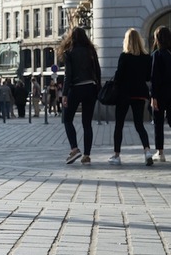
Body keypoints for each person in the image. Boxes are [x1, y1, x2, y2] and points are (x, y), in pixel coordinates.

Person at [109, 28, 153, 166]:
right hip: (139, 94)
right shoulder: (146, 57)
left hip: (124, 94)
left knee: (119, 125)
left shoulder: (124, 56)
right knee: (139, 125)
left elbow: (119, 75)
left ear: (126, 41)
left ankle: (116, 155)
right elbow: (147, 77)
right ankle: (147, 151)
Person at [59, 27, 101, 164]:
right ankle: (87, 155)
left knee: (67, 118)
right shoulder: (91, 51)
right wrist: (98, 88)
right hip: (91, 87)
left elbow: (68, 75)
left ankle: (74, 148)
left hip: (76, 88)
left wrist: (64, 94)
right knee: (87, 123)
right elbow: (98, 70)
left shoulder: (69, 52)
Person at [151, 24, 171, 163]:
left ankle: (160, 152)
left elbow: (155, 77)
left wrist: (154, 96)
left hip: (160, 93)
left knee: (158, 123)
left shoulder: (157, 55)